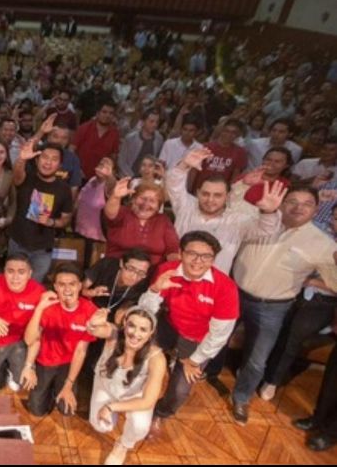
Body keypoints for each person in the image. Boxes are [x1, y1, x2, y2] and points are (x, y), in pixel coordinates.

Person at [231, 186, 337, 425]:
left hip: (272, 307)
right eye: (292, 201)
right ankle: (205, 374)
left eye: (307, 204)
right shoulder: (261, 220)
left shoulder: (324, 244)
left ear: (316, 209)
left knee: (257, 359)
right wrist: (243, 186)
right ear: (281, 202)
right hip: (234, 293)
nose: (298, 207)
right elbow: (230, 207)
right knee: (215, 337)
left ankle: (241, 397)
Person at [139, 231, 239, 437]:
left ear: (213, 259)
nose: (198, 261)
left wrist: (194, 361)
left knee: (179, 390)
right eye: (192, 253)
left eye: (206, 256)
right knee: (137, 356)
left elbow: (219, 335)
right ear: (180, 253)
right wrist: (155, 290)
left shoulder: (225, 287)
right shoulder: (167, 270)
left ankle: (160, 413)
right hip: (168, 327)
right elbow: (144, 312)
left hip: (198, 341)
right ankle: (135, 399)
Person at [168, 148, 286, 273]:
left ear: (227, 197)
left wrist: (269, 212)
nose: (210, 200)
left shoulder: (237, 221)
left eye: (217, 195)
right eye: (205, 194)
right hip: (174, 275)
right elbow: (173, 184)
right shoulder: (186, 206)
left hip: (214, 282)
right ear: (198, 193)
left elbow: (265, 229)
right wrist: (183, 165)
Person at [85, 307, 167, 465]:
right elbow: (97, 330)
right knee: (100, 425)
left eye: (143, 329)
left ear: (151, 333)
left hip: (134, 395)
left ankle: (123, 445)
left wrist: (111, 407)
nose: (135, 334)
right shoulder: (114, 335)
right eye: (132, 326)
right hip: (107, 386)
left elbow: (148, 401)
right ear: (124, 324)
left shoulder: (156, 358)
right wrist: (93, 324)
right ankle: (112, 413)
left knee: (139, 426)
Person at [22, 263, 98, 417]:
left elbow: (81, 352)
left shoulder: (90, 310)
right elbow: (30, 340)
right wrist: (29, 366)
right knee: (36, 411)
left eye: (72, 284)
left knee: (67, 410)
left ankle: (57, 388)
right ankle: (49, 390)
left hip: (69, 363)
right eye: (62, 284)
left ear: (80, 286)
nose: (67, 289)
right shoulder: (48, 306)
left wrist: (68, 385)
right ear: (55, 287)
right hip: (45, 361)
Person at [0, 253, 45, 392]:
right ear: (4, 272)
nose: (15, 277)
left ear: (29, 274)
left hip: (21, 342)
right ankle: (2, 366)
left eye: (21, 272)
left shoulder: (39, 291)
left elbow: (37, 335)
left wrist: (29, 366)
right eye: (10, 271)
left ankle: (11, 366)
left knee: (23, 384)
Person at [10, 140, 73, 283]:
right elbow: (17, 177)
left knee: (35, 287)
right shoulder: (27, 177)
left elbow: (66, 219)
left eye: (54, 159)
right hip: (18, 242)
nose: (48, 162)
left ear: (60, 165)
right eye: (45, 157)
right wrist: (22, 159)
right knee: (14, 284)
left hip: (43, 249)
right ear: (37, 160)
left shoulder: (64, 189)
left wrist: (51, 222)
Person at [103, 177, 180, 266]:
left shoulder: (163, 221)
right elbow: (110, 214)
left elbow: (172, 250)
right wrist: (115, 197)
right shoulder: (123, 213)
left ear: (158, 207)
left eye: (152, 201)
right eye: (143, 198)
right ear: (133, 199)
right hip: (117, 267)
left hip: (152, 271)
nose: (146, 204)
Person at [192, 118, 248, 193]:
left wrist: (229, 193)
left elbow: (235, 176)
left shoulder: (240, 152)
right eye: (226, 131)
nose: (229, 135)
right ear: (221, 131)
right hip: (200, 188)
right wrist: (189, 189)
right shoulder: (205, 147)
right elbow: (194, 170)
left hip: (220, 191)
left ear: (237, 135)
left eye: (233, 132)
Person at [73, 100, 120, 179]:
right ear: (97, 113)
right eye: (104, 112)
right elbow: (72, 150)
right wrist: (76, 169)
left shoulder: (115, 134)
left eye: (111, 113)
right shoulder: (84, 128)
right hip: (78, 175)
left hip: (100, 178)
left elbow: (113, 157)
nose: (107, 115)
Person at [118, 109, 164, 178]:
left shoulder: (159, 139)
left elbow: (157, 160)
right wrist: (130, 177)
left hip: (148, 178)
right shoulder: (130, 138)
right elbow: (122, 161)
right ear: (143, 122)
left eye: (157, 122)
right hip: (129, 176)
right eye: (151, 121)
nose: (154, 125)